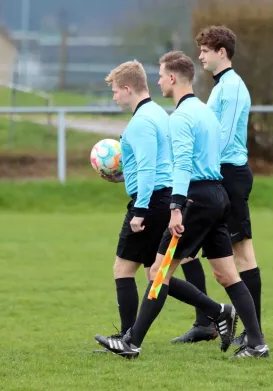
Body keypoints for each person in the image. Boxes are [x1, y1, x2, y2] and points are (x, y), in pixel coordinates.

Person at [94, 51, 269, 359]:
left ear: (173, 78)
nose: (158, 81)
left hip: (195, 200)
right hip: (217, 195)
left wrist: (176, 207)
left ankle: (131, 341)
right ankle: (256, 341)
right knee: (227, 275)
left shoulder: (181, 118)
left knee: (159, 272)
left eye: (161, 76)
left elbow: (183, 164)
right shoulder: (205, 112)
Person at [171, 25, 262, 346]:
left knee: (242, 253)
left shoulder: (233, 87)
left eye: (206, 51)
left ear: (221, 52)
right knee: (191, 251)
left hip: (229, 176)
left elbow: (221, 138)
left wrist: (202, 169)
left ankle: (253, 333)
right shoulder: (221, 87)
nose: (200, 56)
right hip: (215, 176)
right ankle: (206, 323)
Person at [94, 60, 174, 346]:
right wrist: (122, 177)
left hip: (149, 202)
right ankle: (217, 311)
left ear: (128, 89)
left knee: (123, 269)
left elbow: (149, 169)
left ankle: (126, 337)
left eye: (115, 91)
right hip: (163, 198)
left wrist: (139, 211)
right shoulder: (158, 113)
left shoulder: (140, 122)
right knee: (158, 271)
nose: (114, 96)